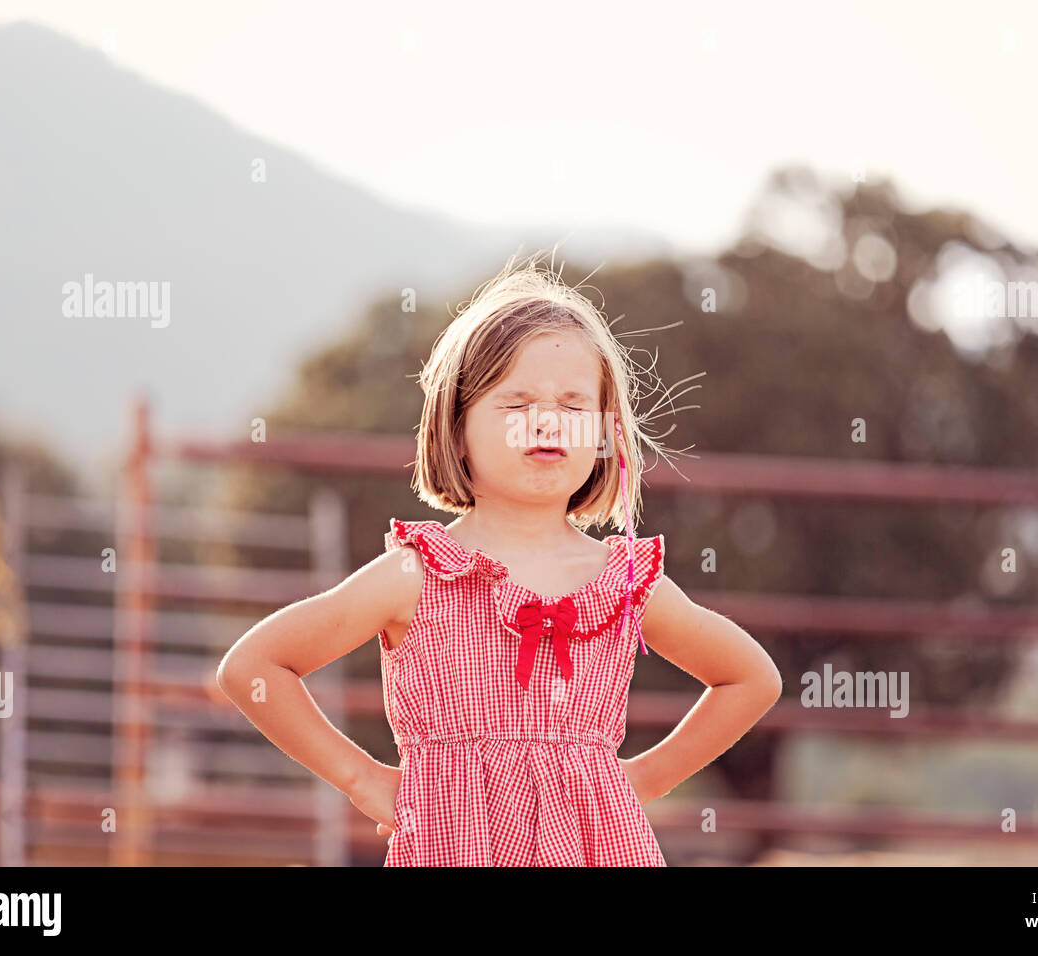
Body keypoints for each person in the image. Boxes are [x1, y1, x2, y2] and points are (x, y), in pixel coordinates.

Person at [218, 250, 783, 865]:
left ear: (603, 434)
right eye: (515, 405)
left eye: (573, 406)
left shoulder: (623, 585)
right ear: (456, 429)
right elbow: (255, 667)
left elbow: (752, 679)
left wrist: (643, 780)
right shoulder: (416, 575)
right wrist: (364, 780)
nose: (547, 422)